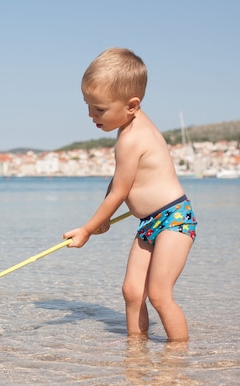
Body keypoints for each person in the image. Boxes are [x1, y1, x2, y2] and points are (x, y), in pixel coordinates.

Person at [63, 48, 197, 342]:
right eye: (88, 106)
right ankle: (136, 354)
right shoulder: (128, 126)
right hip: (150, 222)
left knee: (159, 295)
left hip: (174, 220)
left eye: (99, 109)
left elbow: (121, 192)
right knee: (132, 291)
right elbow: (118, 181)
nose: (91, 115)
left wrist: (87, 229)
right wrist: (104, 220)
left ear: (132, 105)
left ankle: (178, 357)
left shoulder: (133, 137)